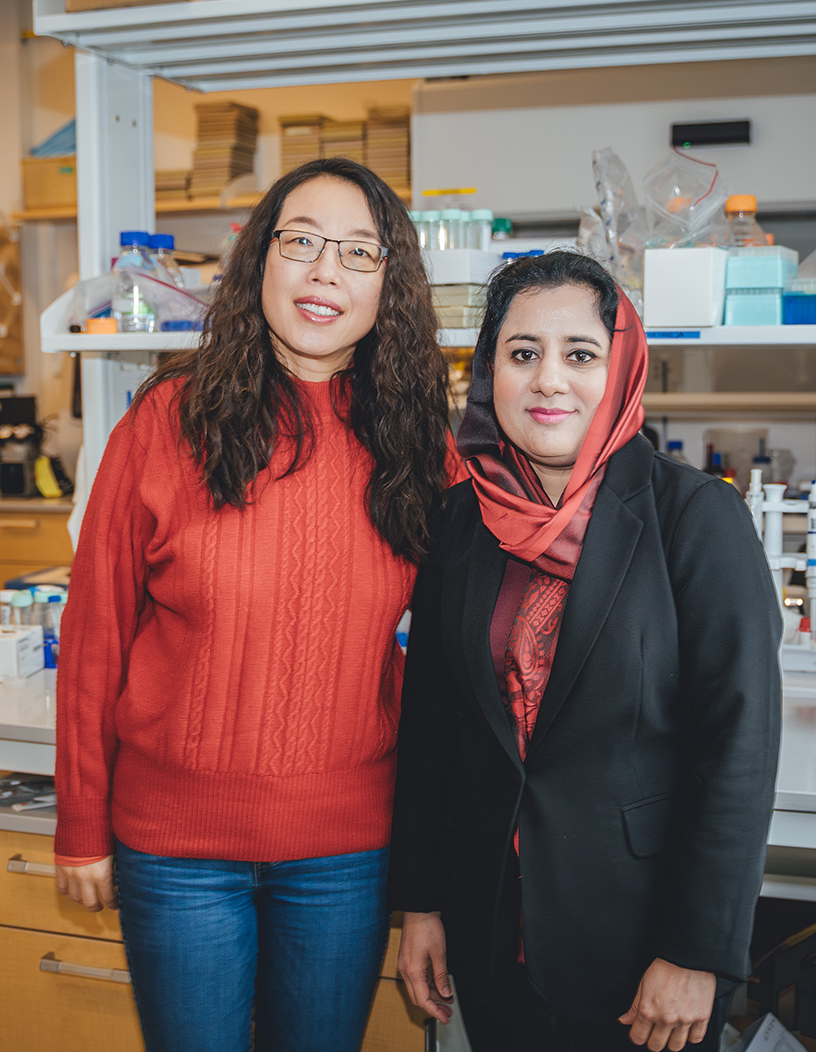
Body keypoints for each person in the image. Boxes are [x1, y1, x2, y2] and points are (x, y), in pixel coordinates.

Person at [54, 157, 463, 1052]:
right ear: (259, 263)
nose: (326, 272)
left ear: (389, 285)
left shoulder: (415, 442)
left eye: (360, 252)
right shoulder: (165, 421)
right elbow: (93, 640)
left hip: (346, 852)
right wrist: (81, 824)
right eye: (302, 242)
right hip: (174, 852)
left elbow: (465, 632)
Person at [387, 251, 781, 1052]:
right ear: (489, 369)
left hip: (642, 948)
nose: (548, 381)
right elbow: (433, 725)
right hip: (492, 928)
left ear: (623, 367)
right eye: (523, 353)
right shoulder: (459, 522)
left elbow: (738, 749)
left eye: (580, 354)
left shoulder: (695, 518)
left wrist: (696, 950)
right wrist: (420, 905)